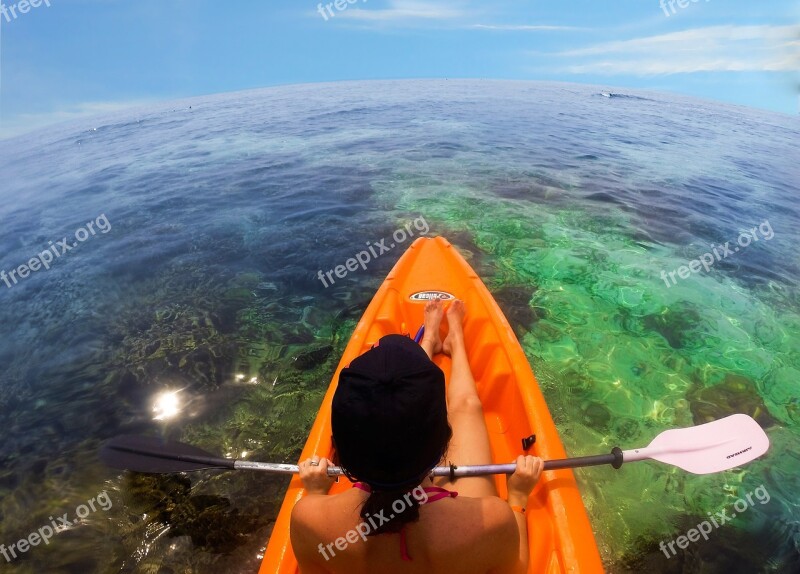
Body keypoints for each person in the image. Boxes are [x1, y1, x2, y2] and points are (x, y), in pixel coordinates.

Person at [290, 298, 544, 573]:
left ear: (340, 450)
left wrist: (316, 491)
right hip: (448, 523)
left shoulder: (308, 518)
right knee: (467, 407)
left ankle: (431, 340)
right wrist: (517, 498)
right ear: (444, 445)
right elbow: (516, 570)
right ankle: (454, 343)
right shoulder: (494, 521)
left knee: (413, 408)